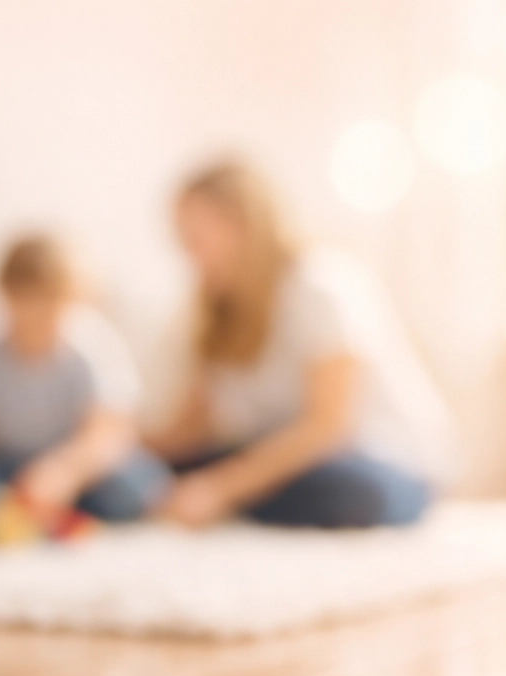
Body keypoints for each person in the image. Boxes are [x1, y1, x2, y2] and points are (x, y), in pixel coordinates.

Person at [148, 160, 454, 529]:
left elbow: (328, 427)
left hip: (373, 460)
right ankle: (250, 500)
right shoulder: (217, 313)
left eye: (195, 238)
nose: (188, 254)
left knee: (346, 491)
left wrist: (219, 489)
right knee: (149, 473)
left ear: (240, 225)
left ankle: (245, 501)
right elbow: (196, 426)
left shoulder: (321, 286)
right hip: (280, 459)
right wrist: (124, 450)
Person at [0, 235, 168, 532]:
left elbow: (109, 433)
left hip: (76, 464)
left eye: (50, 305)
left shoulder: (93, 348)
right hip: (6, 464)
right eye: (25, 303)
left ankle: (61, 512)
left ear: (75, 302)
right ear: (4, 298)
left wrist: (65, 472)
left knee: (133, 488)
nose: (36, 318)